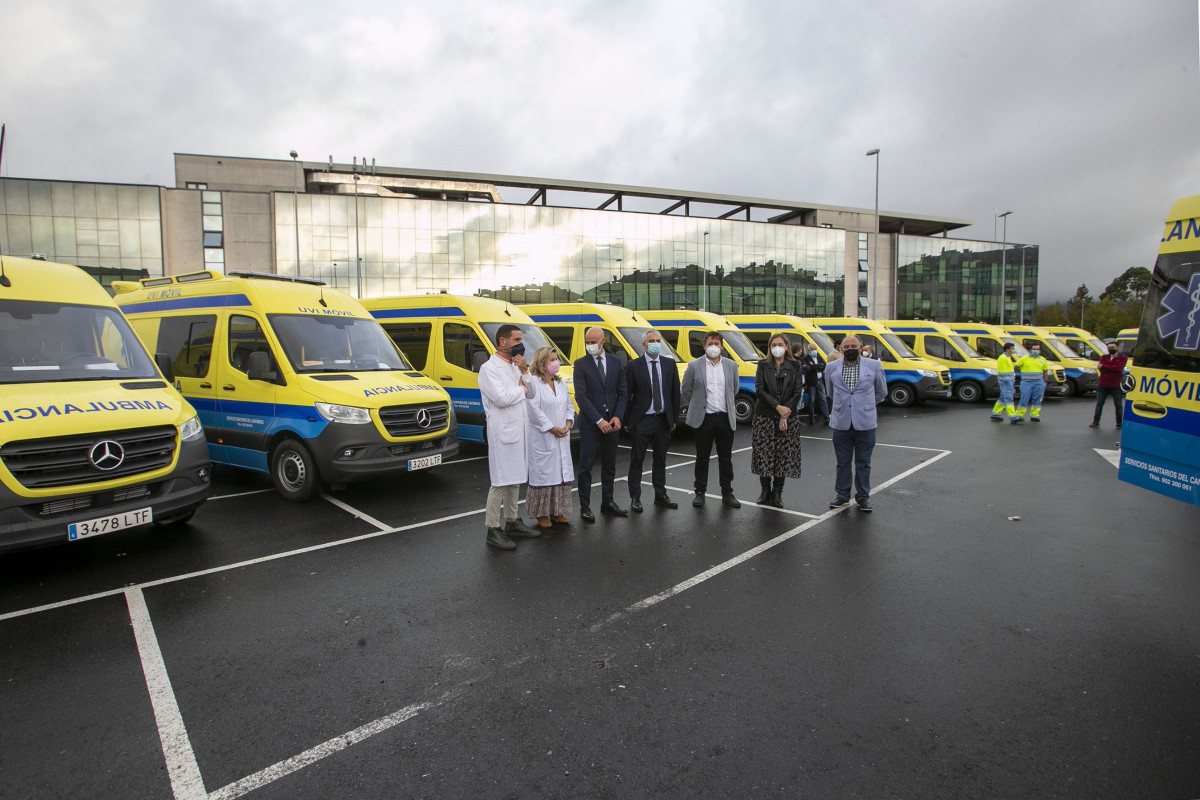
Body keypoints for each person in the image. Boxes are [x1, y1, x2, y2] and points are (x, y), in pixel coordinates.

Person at [478, 324, 540, 550]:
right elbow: (502, 398)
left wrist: (525, 372)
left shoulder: (517, 366)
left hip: (518, 431)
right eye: (516, 340)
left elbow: (532, 393)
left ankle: (512, 521)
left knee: (515, 479)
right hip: (502, 433)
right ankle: (493, 529)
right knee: (501, 481)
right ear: (502, 342)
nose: (520, 344)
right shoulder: (489, 368)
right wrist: (521, 390)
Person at [824, 335, 888, 512]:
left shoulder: (874, 365)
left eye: (853, 345)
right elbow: (830, 391)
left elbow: (881, 392)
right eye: (846, 346)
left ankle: (863, 497)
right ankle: (842, 495)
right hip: (841, 422)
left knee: (864, 463)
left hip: (865, 423)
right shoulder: (831, 367)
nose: (849, 348)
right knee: (842, 462)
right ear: (841, 349)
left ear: (861, 348)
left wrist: (864, 405)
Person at [681, 331, 741, 508]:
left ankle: (727, 492)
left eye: (717, 343)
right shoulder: (694, 366)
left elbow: (734, 389)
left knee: (725, 458)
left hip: (724, 418)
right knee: (702, 457)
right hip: (703, 418)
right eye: (710, 343)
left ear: (721, 346)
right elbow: (686, 389)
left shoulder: (731, 365)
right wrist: (698, 404)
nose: (714, 346)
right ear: (704, 346)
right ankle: (700, 491)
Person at [573, 326, 628, 521]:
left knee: (609, 465)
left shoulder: (615, 363)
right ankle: (585, 506)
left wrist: (617, 416)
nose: (590, 346)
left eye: (593, 342)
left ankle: (608, 502)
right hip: (590, 424)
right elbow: (581, 397)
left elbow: (622, 392)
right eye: (587, 342)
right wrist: (599, 420)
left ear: (602, 341)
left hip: (612, 423)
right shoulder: (580, 365)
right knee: (586, 466)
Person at [624, 329, 682, 511]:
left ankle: (660, 495)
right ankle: (635, 497)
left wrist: (673, 418)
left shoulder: (669, 364)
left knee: (660, 459)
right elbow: (627, 395)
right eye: (651, 341)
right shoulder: (633, 366)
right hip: (642, 420)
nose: (656, 343)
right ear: (644, 345)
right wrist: (627, 421)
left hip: (662, 420)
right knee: (637, 460)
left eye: (658, 340)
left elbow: (674, 393)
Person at [751, 334, 804, 508]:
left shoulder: (795, 365)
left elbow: (797, 391)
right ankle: (765, 491)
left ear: (787, 346)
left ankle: (778, 493)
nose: (777, 347)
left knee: (783, 456)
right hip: (764, 416)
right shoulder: (763, 364)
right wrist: (777, 407)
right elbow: (759, 389)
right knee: (764, 454)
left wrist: (784, 413)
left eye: (780, 344)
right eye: (773, 344)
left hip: (787, 417)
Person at [524, 347, 575, 528]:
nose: (556, 363)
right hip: (543, 436)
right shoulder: (534, 383)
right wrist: (551, 428)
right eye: (551, 360)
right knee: (544, 475)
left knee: (560, 473)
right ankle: (542, 514)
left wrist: (568, 424)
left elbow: (569, 406)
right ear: (541, 362)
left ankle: (558, 511)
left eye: (556, 359)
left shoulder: (560, 383)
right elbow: (533, 410)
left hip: (562, 435)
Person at [1091, 342, 1128, 428]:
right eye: (1109, 347)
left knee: (1118, 404)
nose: (1110, 349)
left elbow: (1119, 368)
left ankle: (1119, 423)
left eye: (1112, 347)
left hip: (1116, 385)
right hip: (1103, 384)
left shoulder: (1123, 358)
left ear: (1118, 348)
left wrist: (1104, 366)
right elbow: (1101, 369)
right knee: (1099, 403)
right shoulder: (1104, 357)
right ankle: (1095, 422)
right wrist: (1109, 367)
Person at [1010, 345, 1050, 424]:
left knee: (1037, 399)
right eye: (1034, 349)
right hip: (1026, 382)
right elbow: (1016, 367)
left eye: (1037, 349)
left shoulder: (1042, 360)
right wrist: (1022, 372)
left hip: (1038, 382)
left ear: (1040, 350)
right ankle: (1019, 414)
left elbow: (1045, 371)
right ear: (1030, 350)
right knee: (1024, 397)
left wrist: (1045, 382)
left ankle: (1034, 415)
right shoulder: (1025, 358)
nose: (1036, 350)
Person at [799, 342, 829, 426]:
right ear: (808, 350)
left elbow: (824, 365)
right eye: (812, 349)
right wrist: (817, 366)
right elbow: (810, 368)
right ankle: (811, 418)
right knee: (811, 401)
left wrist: (816, 366)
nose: (814, 351)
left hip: (820, 381)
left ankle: (827, 418)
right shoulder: (806, 358)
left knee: (823, 399)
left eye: (815, 349)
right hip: (812, 382)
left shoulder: (818, 356)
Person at [989, 342, 1018, 421]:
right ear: (1008, 349)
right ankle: (1013, 416)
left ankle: (995, 414)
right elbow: (1003, 372)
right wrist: (1008, 382)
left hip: (1008, 381)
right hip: (1006, 382)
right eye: (1012, 349)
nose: (1013, 350)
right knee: (1008, 399)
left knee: (1002, 399)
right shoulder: (1003, 358)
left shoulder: (1007, 357)